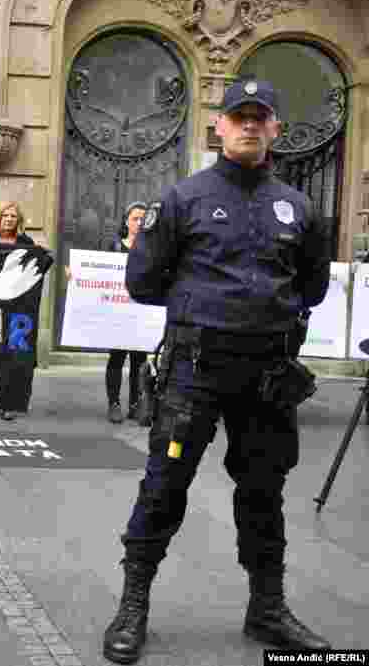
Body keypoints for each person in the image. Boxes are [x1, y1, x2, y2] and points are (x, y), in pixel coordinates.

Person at [102, 78, 332, 664]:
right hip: (195, 369)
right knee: (164, 487)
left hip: (266, 375)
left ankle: (268, 609)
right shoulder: (183, 199)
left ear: (275, 128)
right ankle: (132, 606)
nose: (249, 125)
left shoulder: (299, 206)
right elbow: (143, 282)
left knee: (264, 493)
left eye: (261, 117)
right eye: (239, 116)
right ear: (220, 127)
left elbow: (313, 286)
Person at [0, 201, 50, 421]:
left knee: (13, 357)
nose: (9, 219)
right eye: (5, 215)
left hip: (18, 312)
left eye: (13, 216)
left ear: (18, 221)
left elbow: (40, 264)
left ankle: (9, 403)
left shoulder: (26, 243)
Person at [105, 203, 148, 424]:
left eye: (142, 219)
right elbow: (96, 272)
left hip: (141, 312)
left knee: (139, 361)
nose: (138, 223)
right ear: (126, 221)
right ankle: (114, 403)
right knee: (117, 358)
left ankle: (135, 404)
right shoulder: (114, 246)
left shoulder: (151, 248)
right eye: (134, 218)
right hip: (118, 313)